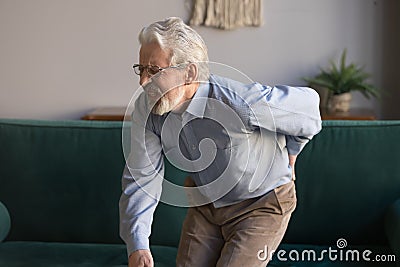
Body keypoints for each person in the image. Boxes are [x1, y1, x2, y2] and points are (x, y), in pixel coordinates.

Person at [119, 17, 322, 267]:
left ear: (189, 72)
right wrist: (137, 244)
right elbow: (143, 176)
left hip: (261, 204)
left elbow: (309, 108)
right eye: (141, 69)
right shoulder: (147, 108)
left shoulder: (239, 101)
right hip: (206, 204)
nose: (143, 82)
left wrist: (292, 151)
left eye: (154, 70)